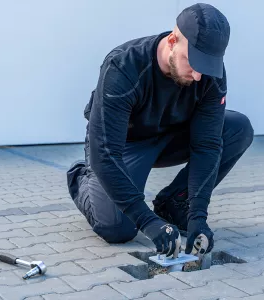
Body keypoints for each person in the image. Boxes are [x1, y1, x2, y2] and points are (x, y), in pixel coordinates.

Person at [66, 3, 254, 258]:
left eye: (206, 66)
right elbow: (106, 151)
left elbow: (207, 145)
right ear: (172, 40)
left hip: (172, 137)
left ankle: (174, 204)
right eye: (192, 62)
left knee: (238, 129)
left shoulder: (210, 75)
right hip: (124, 145)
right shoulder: (124, 66)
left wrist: (197, 215)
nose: (198, 75)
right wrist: (147, 221)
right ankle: (81, 177)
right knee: (117, 228)